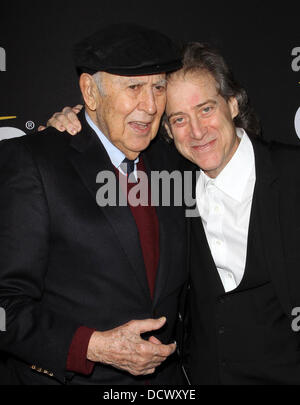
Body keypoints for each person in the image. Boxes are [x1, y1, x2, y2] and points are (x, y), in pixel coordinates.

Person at [50, 42, 300, 385]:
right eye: (179, 119)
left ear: (232, 103)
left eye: (206, 109)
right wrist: (75, 122)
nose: (196, 131)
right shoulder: (170, 183)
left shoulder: (291, 174)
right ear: (166, 129)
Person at [0, 23, 188, 385]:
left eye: (159, 87)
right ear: (90, 91)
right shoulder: (34, 163)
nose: (150, 106)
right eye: (133, 87)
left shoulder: (173, 158)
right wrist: (92, 346)